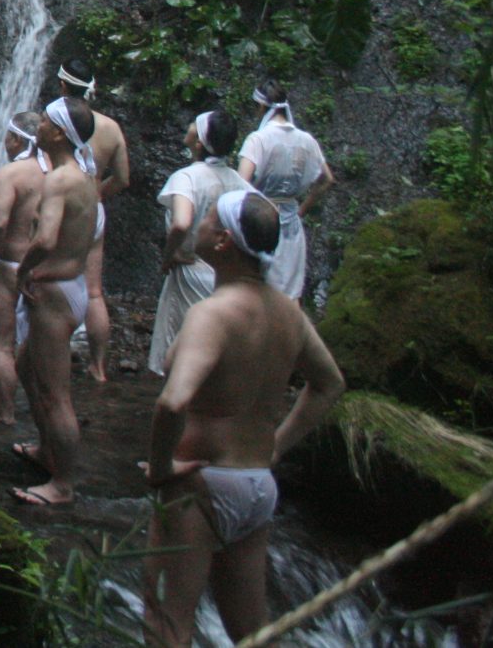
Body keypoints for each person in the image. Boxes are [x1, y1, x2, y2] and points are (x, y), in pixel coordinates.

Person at [141, 190, 345, 647]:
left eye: (207, 218)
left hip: (200, 485)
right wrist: (274, 446)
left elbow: (173, 402)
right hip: (255, 486)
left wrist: (160, 469)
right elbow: (329, 384)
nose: (199, 224)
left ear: (223, 241)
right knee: (251, 633)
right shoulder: (288, 315)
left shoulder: (211, 316)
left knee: (165, 622)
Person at [11, 95, 102, 508]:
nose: (38, 127)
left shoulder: (59, 180)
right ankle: (48, 449)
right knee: (25, 367)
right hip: (72, 284)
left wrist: (23, 270)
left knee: (54, 393)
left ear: (60, 133)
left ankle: (62, 484)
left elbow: (46, 239)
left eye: (45, 121)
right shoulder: (84, 173)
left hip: (53, 291)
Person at [149, 113, 247, 377]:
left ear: (200, 142)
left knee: (180, 356)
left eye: (195, 124)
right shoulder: (241, 184)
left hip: (190, 272)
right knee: (213, 354)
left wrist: (170, 255)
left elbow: (181, 223)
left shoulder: (187, 178)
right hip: (225, 276)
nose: (189, 126)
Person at [57, 60, 130, 383]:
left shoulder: (54, 121)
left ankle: (53, 356)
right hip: (93, 206)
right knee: (95, 292)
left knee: (52, 283)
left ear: (62, 85)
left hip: (61, 207)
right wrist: (98, 192)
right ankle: (98, 366)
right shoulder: (111, 128)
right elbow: (123, 178)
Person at [237, 82, 335, 302]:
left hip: (260, 221)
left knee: (258, 292)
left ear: (262, 108)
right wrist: (301, 209)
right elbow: (327, 179)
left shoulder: (258, 140)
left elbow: (240, 184)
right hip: (291, 222)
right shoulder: (306, 140)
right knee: (289, 294)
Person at [0, 110, 47, 425]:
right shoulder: (57, 173)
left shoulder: (11, 174)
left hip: (9, 266)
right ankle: (46, 414)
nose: (4, 142)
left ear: (17, 139)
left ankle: (5, 415)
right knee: (41, 348)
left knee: (0, 346)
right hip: (46, 270)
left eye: (7, 136)